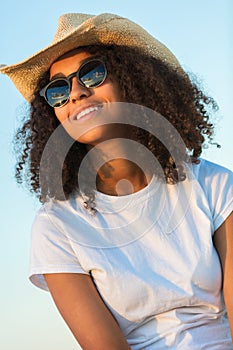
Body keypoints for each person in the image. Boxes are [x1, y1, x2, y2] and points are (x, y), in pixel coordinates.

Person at [1, 12, 233, 350]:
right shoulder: (57, 226)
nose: (76, 93)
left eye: (92, 74)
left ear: (132, 79)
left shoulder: (211, 184)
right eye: (58, 90)